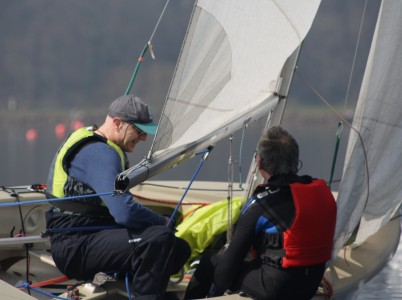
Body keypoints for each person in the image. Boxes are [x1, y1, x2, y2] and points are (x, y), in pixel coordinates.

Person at [45, 95, 191, 300]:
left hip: (89, 234)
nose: (143, 138)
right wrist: (162, 221)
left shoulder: (93, 140)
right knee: (158, 239)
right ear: (117, 123)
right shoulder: (101, 154)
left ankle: (131, 285)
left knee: (179, 249)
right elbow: (124, 212)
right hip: (75, 245)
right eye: (139, 131)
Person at [184, 126, 337, 300]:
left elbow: (225, 273)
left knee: (209, 263)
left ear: (260, 163)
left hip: (277, 289)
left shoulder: (261, 204)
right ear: (295, 161)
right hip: (311, 284)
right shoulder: (319, 192)